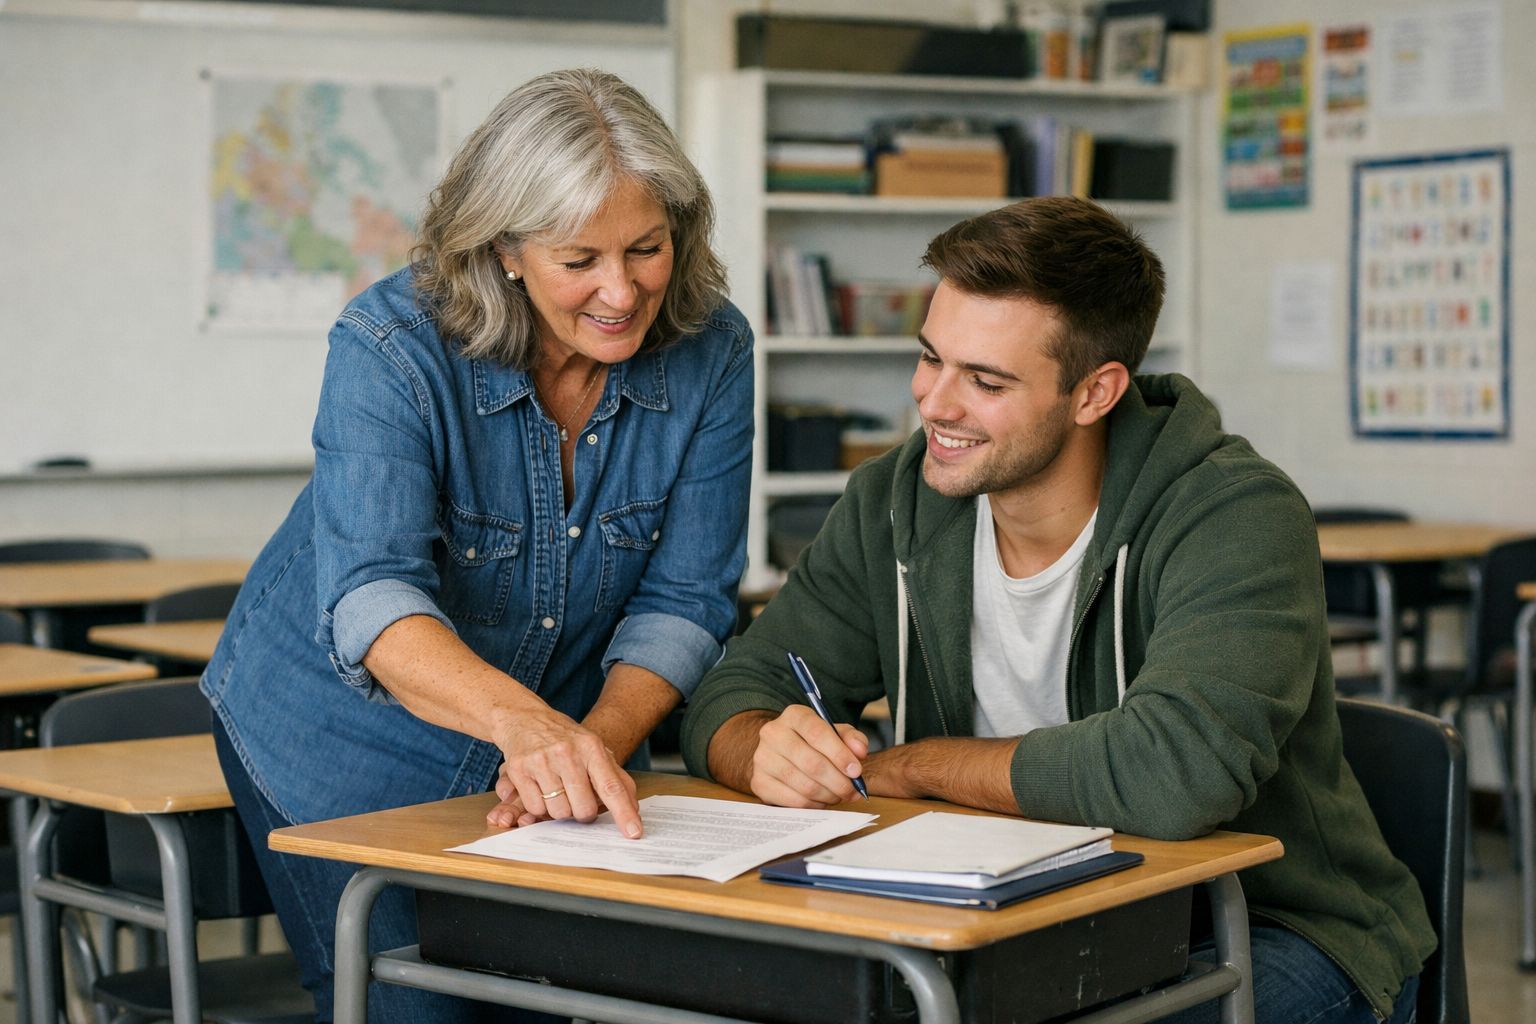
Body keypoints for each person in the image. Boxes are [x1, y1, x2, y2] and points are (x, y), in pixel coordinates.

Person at [680, 196, 1434, 1024]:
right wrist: (763, 750)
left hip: (1263, 925)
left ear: (1094, 393)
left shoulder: (1234, 513)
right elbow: (734, 691)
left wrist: (915, 767)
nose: (934, 403)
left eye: (985, 381)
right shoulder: (892, 501)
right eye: (930, 358)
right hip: (1006, 917)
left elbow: (1174, 775)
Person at [203, 68, 752, 1022]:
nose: (622, 291)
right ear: (505, 249)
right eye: (579, 259)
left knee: (547, 1004)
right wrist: (531, 731)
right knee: (414, 1007)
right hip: (340, 736)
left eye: (647, 248)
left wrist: (583, 749)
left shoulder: (715, 348)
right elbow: (375, 596)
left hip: (549, 747)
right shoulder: (391, 344)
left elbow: (687, 599)